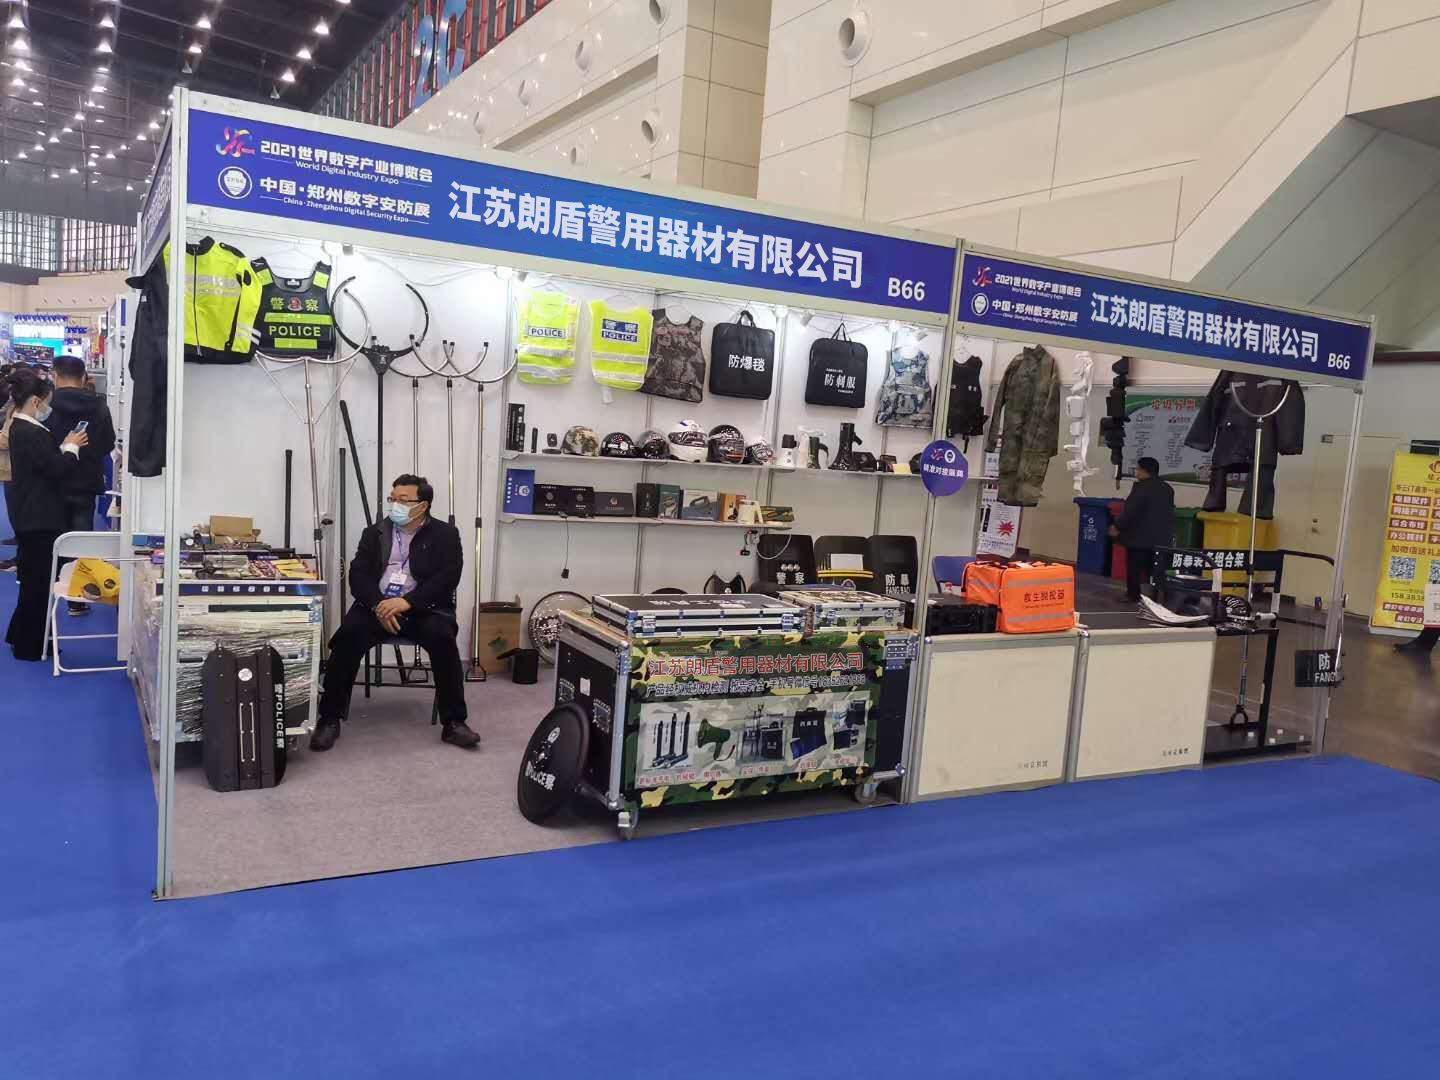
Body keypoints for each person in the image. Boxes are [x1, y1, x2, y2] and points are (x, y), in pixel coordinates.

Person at [310, 474, 480, 752]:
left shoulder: (445, 534)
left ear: (422, 505)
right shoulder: (375, 532)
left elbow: (448, 578)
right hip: (376, 606)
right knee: (348, 636)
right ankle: (329, 718)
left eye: (403, 500)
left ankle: (454, 723)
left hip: (423, 608)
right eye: (393, 499)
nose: (395, 505)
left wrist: (407, 602)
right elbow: (358, 575)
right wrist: (380, 605)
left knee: (443, 639)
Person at [3, 368, 89, 661]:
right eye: (47, 403)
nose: (48, 409)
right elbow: (56, 470)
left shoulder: (22, 427)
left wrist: (63, 448)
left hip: (31, 513)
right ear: (36, 401)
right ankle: (30, 645)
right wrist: (71, 449)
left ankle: (20, 635)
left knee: (33, 582)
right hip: (39, 517)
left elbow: (44, 465)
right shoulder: (30, 432)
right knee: (39, 585)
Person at [43, 356, 116, 613]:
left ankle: (50, 593)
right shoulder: (98, 406)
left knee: (53, 539)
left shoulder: (47, 405)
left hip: (54, 480)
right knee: (81, 540)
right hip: (86, 480)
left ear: (55, 375)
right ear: (84, 376)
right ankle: (78, 598)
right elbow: (108, 443)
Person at [1109, 456, 1175, 602]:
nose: (1137, 472)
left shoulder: (1142, 488)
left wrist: (1117, 525)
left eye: (1138, 469)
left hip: (1139, 537)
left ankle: (1133, 595)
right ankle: (1159, 596)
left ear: (1145, 471)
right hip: (1161, 537)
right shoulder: (1167, 488)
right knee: (1156, 568)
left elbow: (1130, 511)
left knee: (1135, 567)